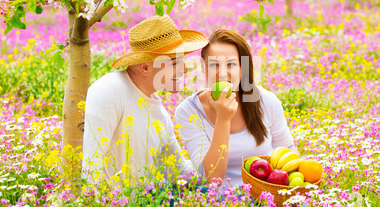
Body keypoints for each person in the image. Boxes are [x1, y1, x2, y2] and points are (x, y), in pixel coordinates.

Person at [82, 15, 209, 189]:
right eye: (175, 62)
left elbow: (179, 172)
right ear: (146, 68)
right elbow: (89, 166)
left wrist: (225, 170)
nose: (185, 69)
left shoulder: (160, 115)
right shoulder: (109, 91)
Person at [174, 29, 300, 188]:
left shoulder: (266, 101)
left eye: (231, 64)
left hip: (266, 194)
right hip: (221, 204)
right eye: (214, 64)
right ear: (203, 67)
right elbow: (212, 178)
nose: (222, 73)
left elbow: (289, 152)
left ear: (243, 68)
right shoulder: (189, 111)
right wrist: (223, 118)